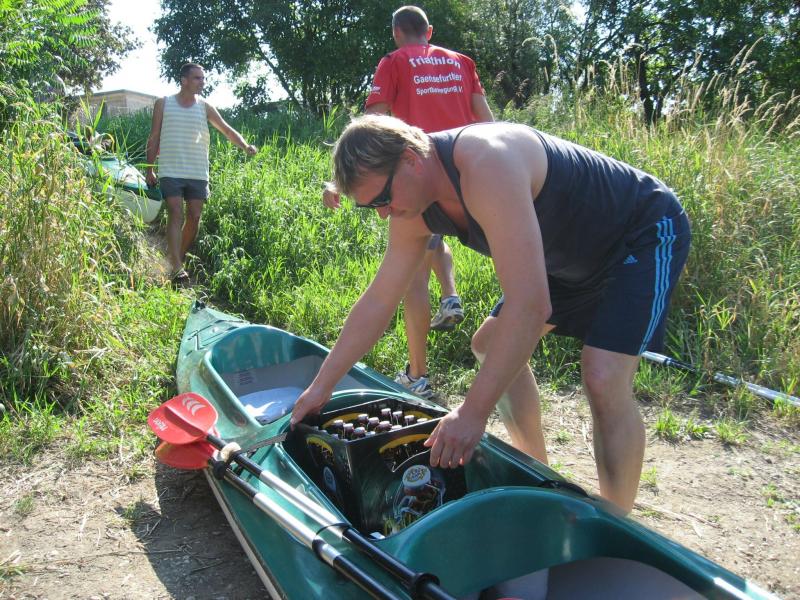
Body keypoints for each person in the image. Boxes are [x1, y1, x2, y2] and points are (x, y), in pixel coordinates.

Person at [292, 115, 691, 513]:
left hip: (640, 233)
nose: (383, 214)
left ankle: (615, 522)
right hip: (567, 260)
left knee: (602, 375)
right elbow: (380, 300)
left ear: (411, 159)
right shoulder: (411, 209)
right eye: (371, 207)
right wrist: (321, 387)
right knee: (488, 344)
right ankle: (540, 477)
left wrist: (472, 413)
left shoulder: (486, 163)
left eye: (382, 199)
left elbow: (531, 306)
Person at [322, 5, 494, 398]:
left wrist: (339, 182)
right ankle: (451, 296)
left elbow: (370, 130)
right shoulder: (462, 62)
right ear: (428, 31)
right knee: (440, 244)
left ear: (397, 32)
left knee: (412, 278)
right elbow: (489, 124)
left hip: (412, 178)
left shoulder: (394, 62)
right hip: (466, 175)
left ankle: (418, 375)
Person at [145, 63, 257, 283]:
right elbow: (154, 135)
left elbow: (226, 129)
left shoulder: (205, 107)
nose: (202, 82)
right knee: (175, 212)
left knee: (195, 216)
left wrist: (245, 146)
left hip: (197, 171)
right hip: (171, 169)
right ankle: (177, 266)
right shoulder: (163, 103)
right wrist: (149, 169)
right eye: (197, 78)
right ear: (184, 80)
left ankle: (176, 259)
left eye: (203, 78)